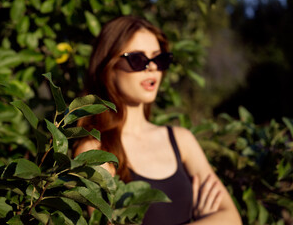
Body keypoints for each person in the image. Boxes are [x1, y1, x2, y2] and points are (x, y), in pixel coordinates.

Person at [74, 16, 241, 225]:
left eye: (158, 59)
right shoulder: (94, 150)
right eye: (138, 60)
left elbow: (232, 218)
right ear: (108, 66)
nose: (152, 67)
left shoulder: (181, 140)